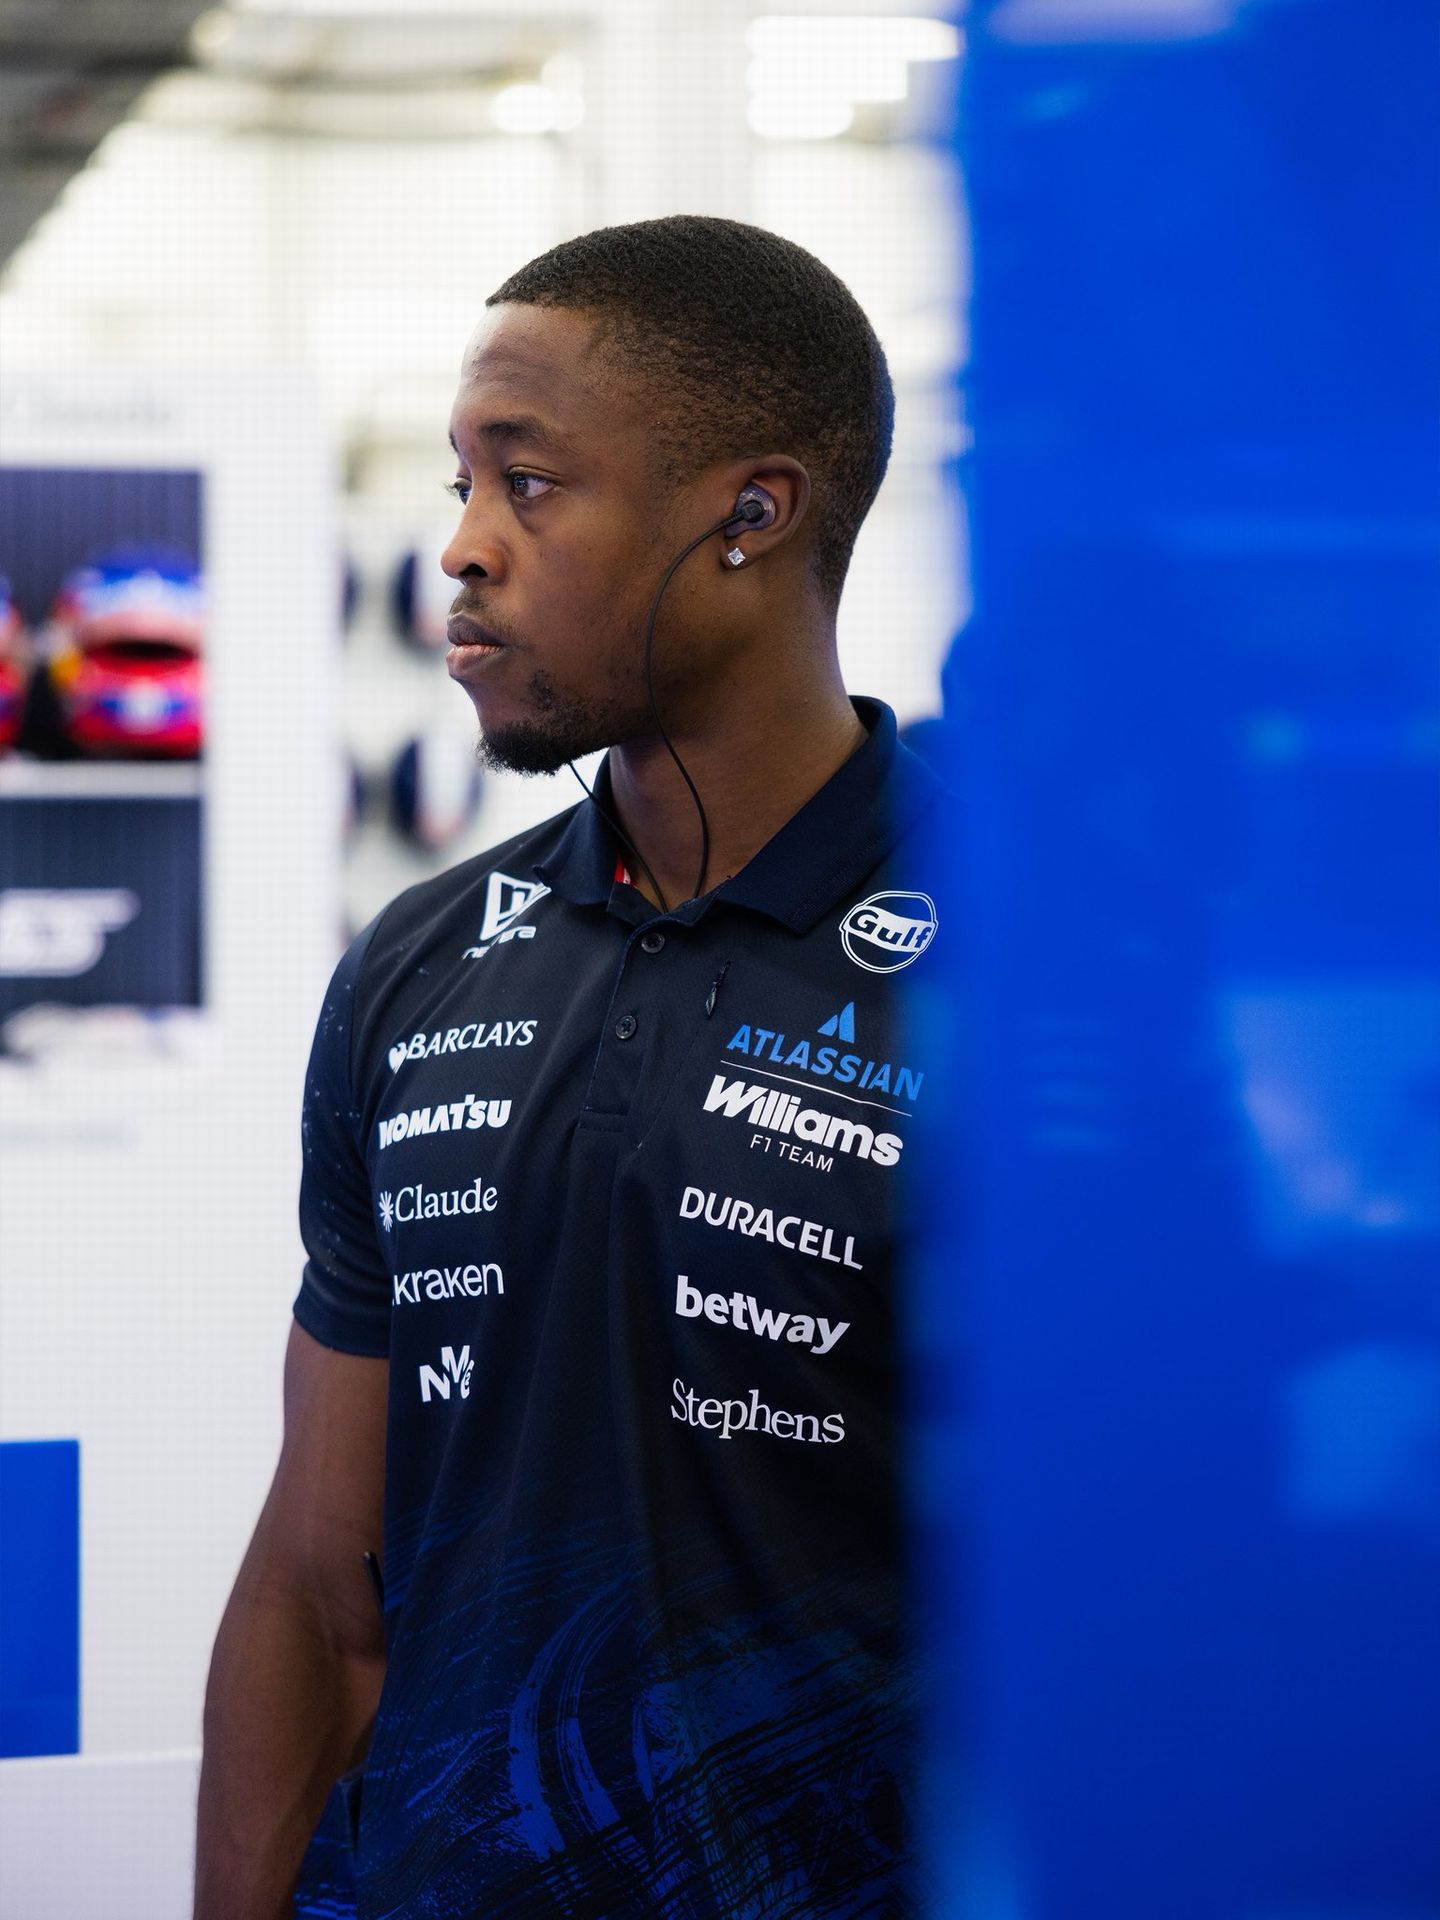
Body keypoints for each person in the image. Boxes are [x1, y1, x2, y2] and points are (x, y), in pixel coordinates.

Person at [195, 214, 945, 1919]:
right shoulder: (420, 964)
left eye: (527, 485)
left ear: (752, 515)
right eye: (462, 483)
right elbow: (318, 1588)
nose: (462, 548)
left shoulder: (1025, 976)